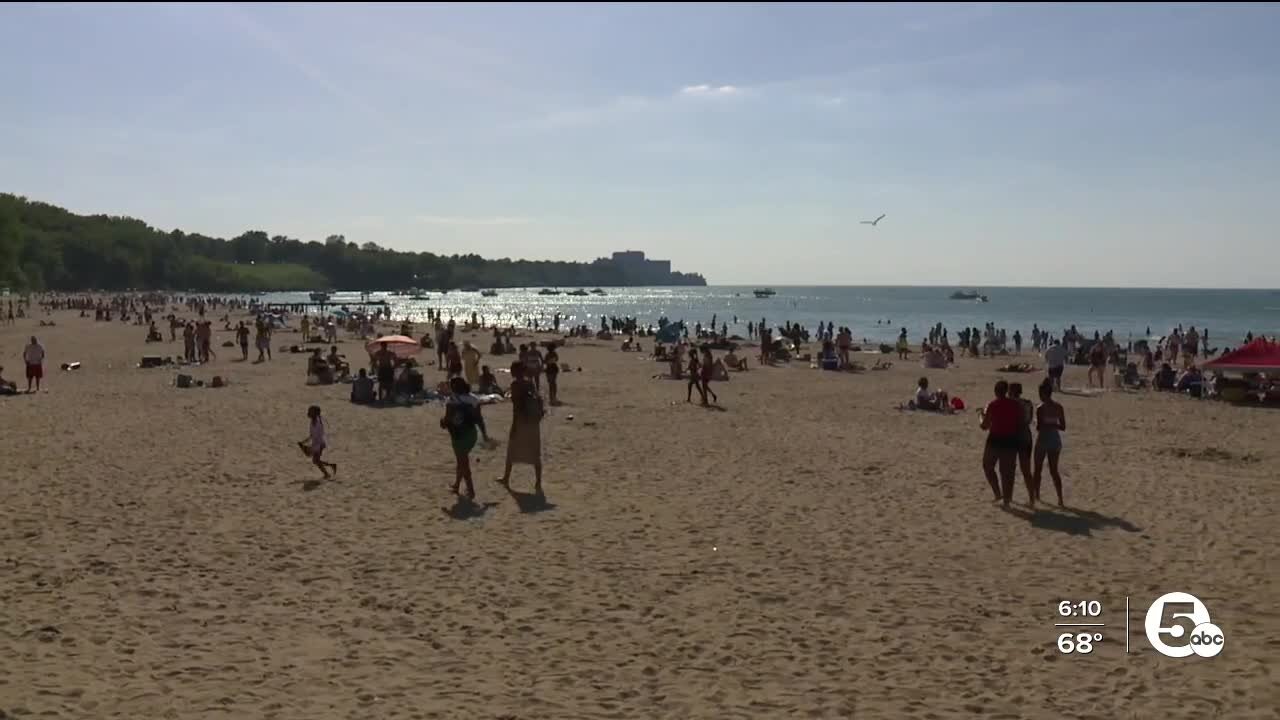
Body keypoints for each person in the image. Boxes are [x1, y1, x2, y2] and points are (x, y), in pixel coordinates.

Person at [499, 361, 544, 495]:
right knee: (535, 452)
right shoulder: (530, 383)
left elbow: (516, 407)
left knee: (512, 449)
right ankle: (538, 482)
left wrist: (514, 426)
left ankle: (506, 478)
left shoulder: (515, 385)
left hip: (521, 421)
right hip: (533, 422)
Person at [979, 380, 1021, 507]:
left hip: (995, 439)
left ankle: (998, 493)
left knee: (988, 466)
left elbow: (984, 425)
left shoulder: (993, 404)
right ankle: (1007, 498)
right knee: (1007, 471)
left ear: (996, 392)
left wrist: (981, 416)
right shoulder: (1015, 405)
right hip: (1011, 439)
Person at [442, 377, 482, 499]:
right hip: (471, 434)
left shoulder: (451, 400)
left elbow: (447, 420)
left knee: (463, 463)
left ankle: (471, 490)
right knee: (461, 461)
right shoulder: (474, 399)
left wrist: (443, 422)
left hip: (458, 435)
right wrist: (485, 435)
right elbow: (479, 419)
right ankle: (457, 485)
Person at [1033, 380, 1066, 506]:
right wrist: (1053, 423)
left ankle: (1037, 495)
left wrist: (1040, 423)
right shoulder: (1059, 407)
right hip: (1055, 439)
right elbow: (1063, 426)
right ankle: (1060, 498)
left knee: (1037, 469)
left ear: (1043, 393)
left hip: (1043, 439)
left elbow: (1039, 427)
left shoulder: (1040, 408)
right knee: (1054, 471)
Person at [1010, 382, 1037, 506]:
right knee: (1026, 470)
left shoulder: (1009, 404)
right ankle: (1032, 498)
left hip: (1012, 436)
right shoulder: (1028, 403)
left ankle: (1008, 496)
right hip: (1025, 435)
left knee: (1009, 468)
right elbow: (1030, 420)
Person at [297, 405, 338, 479]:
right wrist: (303, 442)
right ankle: (331, 467)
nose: (308, 413)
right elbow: (312, 435)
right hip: (316, 444)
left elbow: (319, 436)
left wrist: (315, 447)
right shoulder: (312, 422)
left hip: (319, 444)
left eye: (310, 411)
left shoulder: (318, 423)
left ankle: (327, 473)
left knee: (315, 460)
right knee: (316, 461)